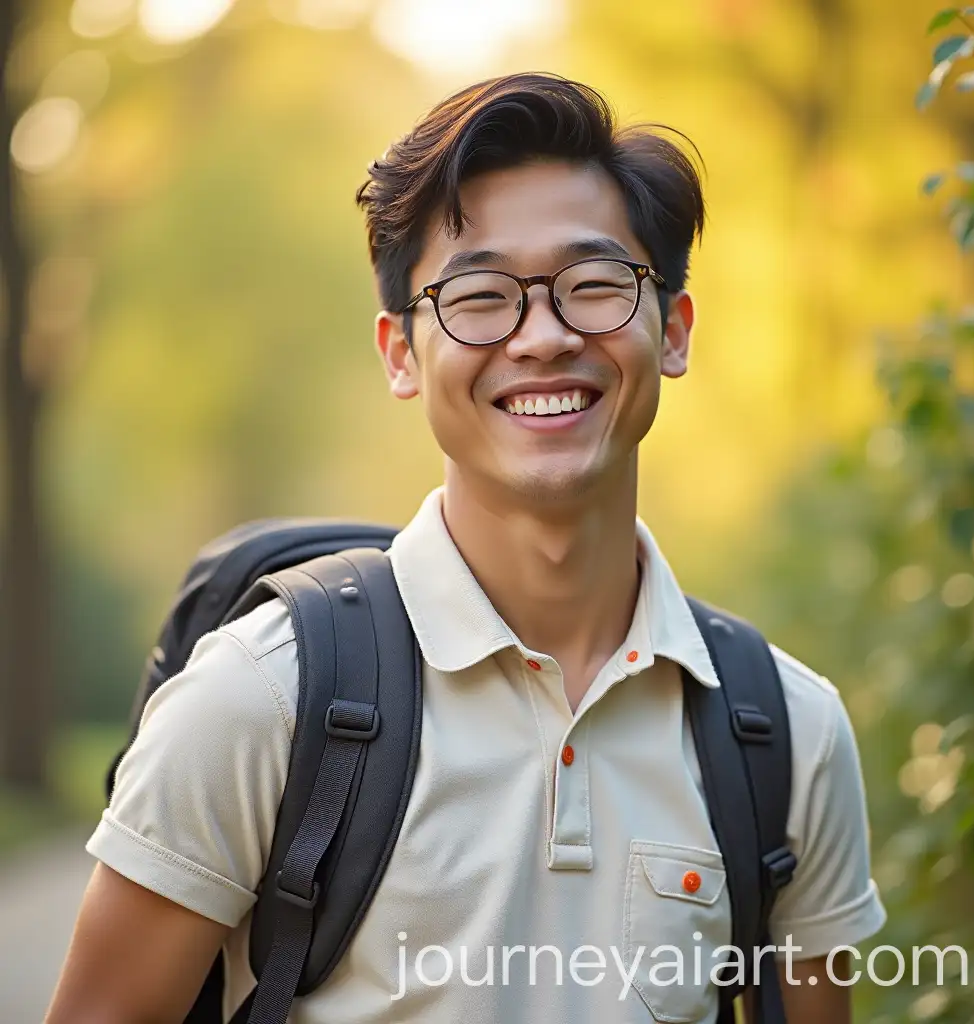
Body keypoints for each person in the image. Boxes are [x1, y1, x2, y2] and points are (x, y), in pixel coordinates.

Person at [45, 72, 885, 1024]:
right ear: (401, 353)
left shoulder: (787, 732)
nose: (543, 336)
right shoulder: (261, 698)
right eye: (480, 297)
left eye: (595, 286)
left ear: (674, 332)